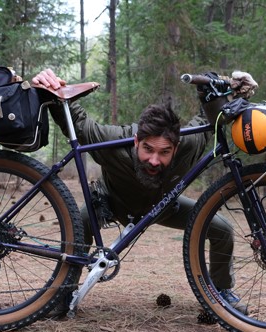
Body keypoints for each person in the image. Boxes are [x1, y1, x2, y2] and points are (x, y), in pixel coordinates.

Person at [32, 69, 242, 313]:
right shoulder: (115, 144)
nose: (154, 160)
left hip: (165, 207)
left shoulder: (189, 146)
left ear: (176, 147)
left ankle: (221, 293)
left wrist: (232, 89)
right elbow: (78, 123)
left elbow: (211, 119)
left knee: (222, 229)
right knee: (80, 222)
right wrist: (51, 87)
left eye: (164, 152)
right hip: (111, 203)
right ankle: (64, 291)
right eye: (147, 149)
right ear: (135, 141)